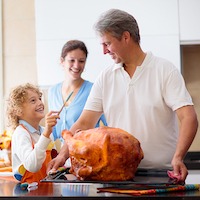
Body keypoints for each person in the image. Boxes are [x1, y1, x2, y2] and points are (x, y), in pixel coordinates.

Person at [47, 9, 198, 183]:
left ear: (126, 37)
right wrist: (62, 156)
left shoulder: (164, 70)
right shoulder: (105, 77)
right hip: (116, 174)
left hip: (161, 174)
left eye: (107, 43)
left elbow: (188, 117)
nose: (104, 51)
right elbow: (84, 122)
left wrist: (178, 157)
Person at [48, 40, 107, 143]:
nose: (76, 66)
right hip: (63, 154)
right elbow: (54, 133)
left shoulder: (94, 90)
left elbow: (109, 125)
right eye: (72, 60)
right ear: (62, 61)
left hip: (88, 153)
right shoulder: (52, 92)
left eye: (81, 61)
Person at [6, 83, 59, 184]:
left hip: (47, 187)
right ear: (18, 111)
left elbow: (53, 161)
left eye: (39, 98)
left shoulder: (45, 131)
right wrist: (46, 134)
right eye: (33, 100)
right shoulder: (20, 133)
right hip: (30, 192)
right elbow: (32, 166)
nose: (40, 102)